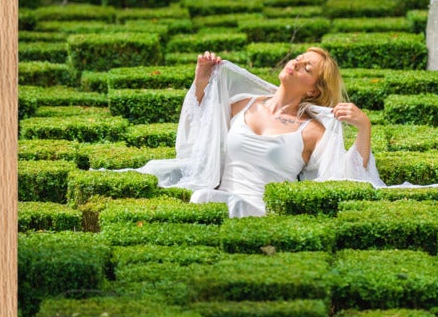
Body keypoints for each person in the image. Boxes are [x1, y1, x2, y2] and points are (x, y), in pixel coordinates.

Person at [138, 47, 380, 215]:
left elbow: (343, 175)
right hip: (217, 203)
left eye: (307, 68)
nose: (295, 63)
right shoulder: (243, 105)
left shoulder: (313, 131)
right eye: (298, 58)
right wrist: (201, 81)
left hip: (262, 212)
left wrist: (364, 127)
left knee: (206, 199)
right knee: (201, 196)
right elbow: (200, 132)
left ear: (313, 91)